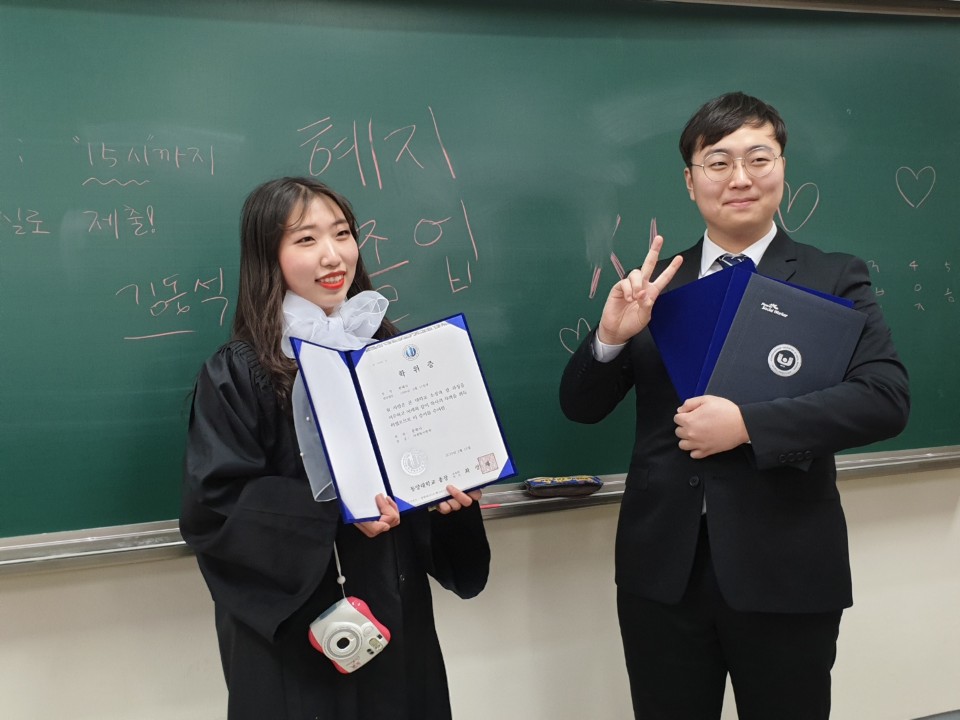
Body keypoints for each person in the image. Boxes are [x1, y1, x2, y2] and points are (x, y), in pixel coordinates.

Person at [559, 92, 909, 719]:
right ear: (690, 181)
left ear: (782, 167)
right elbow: (580, 408)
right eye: (718, 162)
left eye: (758, 158)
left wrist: (748, 425)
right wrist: (611, 336)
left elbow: (884, 399)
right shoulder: (657, 284)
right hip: (662, 573)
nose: (740, 178)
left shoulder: (833, 276)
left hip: (785, 569)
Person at [180, 177, 490, 720]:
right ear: (268, 256)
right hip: (300, 637)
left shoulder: (390, 354)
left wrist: (447, 500)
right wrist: (338, 510)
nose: (333, 255)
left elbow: (417, 484)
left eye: (342, 234)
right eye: (306, 239)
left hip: (395, 619)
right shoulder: (240, 372)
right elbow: (216, 506)